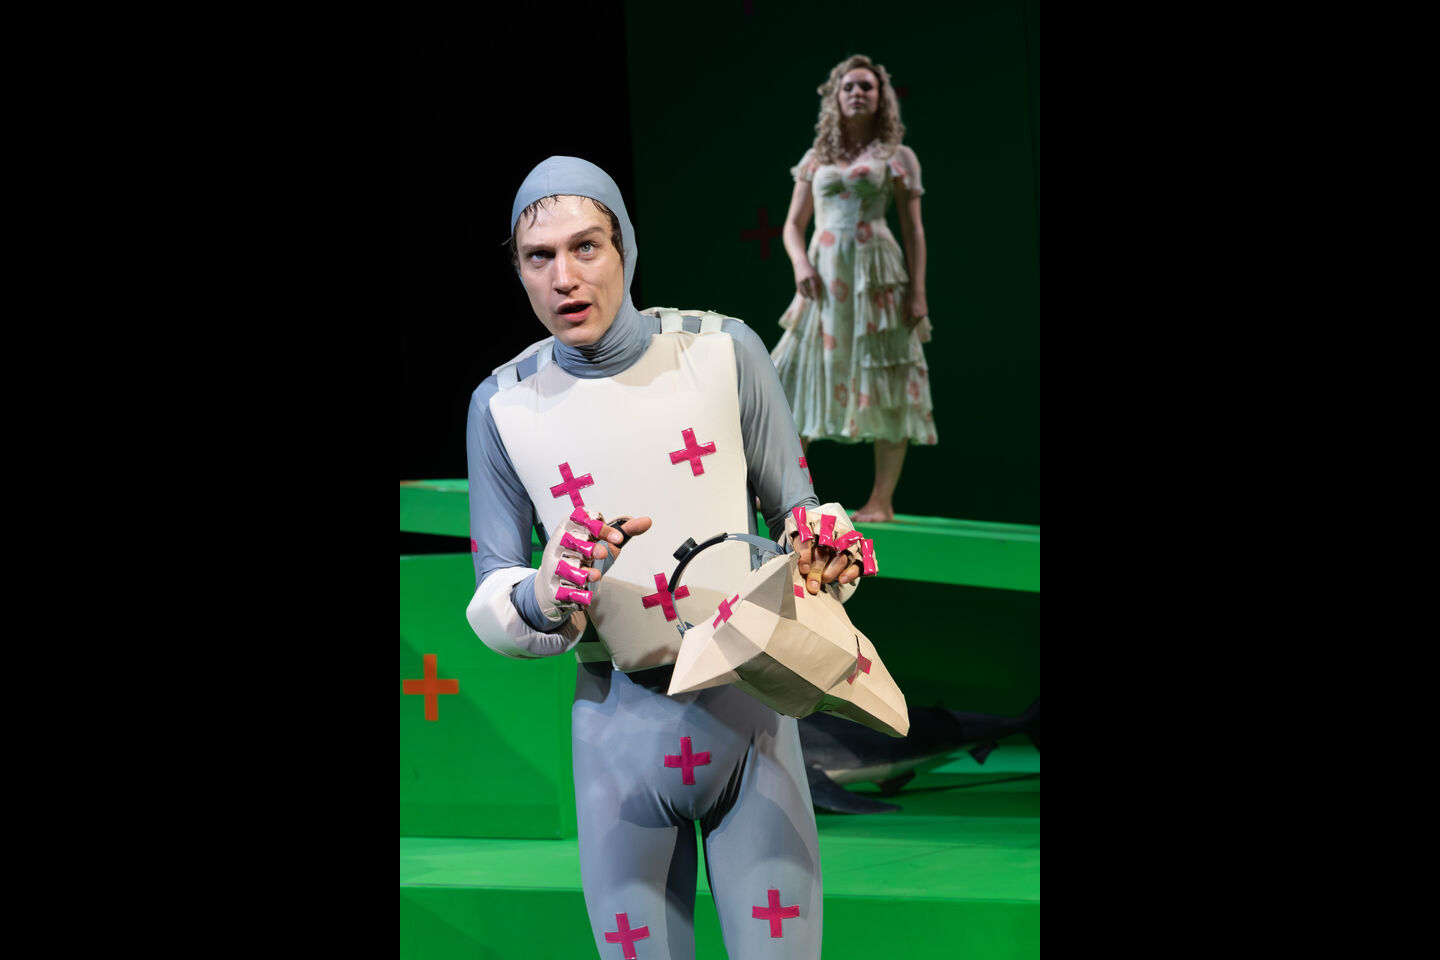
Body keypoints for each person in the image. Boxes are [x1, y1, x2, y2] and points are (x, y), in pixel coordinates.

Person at [464, 156, 874, 959]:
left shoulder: (723, 351)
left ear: (625, 246)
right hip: (616, 739)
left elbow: (799, 511)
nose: (564, 277)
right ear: (518, 269)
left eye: (586, 247)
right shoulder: (501, 405)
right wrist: (545, 590)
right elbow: (493, 586)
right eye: (539, 257)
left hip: (752, 720)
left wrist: (827, 550)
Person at [769, 54, 936, 523]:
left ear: (881, 96)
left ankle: (881, 500)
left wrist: (918, 291)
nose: (857, 93)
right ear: (836, 97)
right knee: (798, 377)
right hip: (824, 277)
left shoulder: (897, 157)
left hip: (877, 275)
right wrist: (800, 262)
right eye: (849, 86)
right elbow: (792, 225)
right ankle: (789, 497)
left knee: (888, 377)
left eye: (867, 86)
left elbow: (914, 229)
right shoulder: (817, 157)